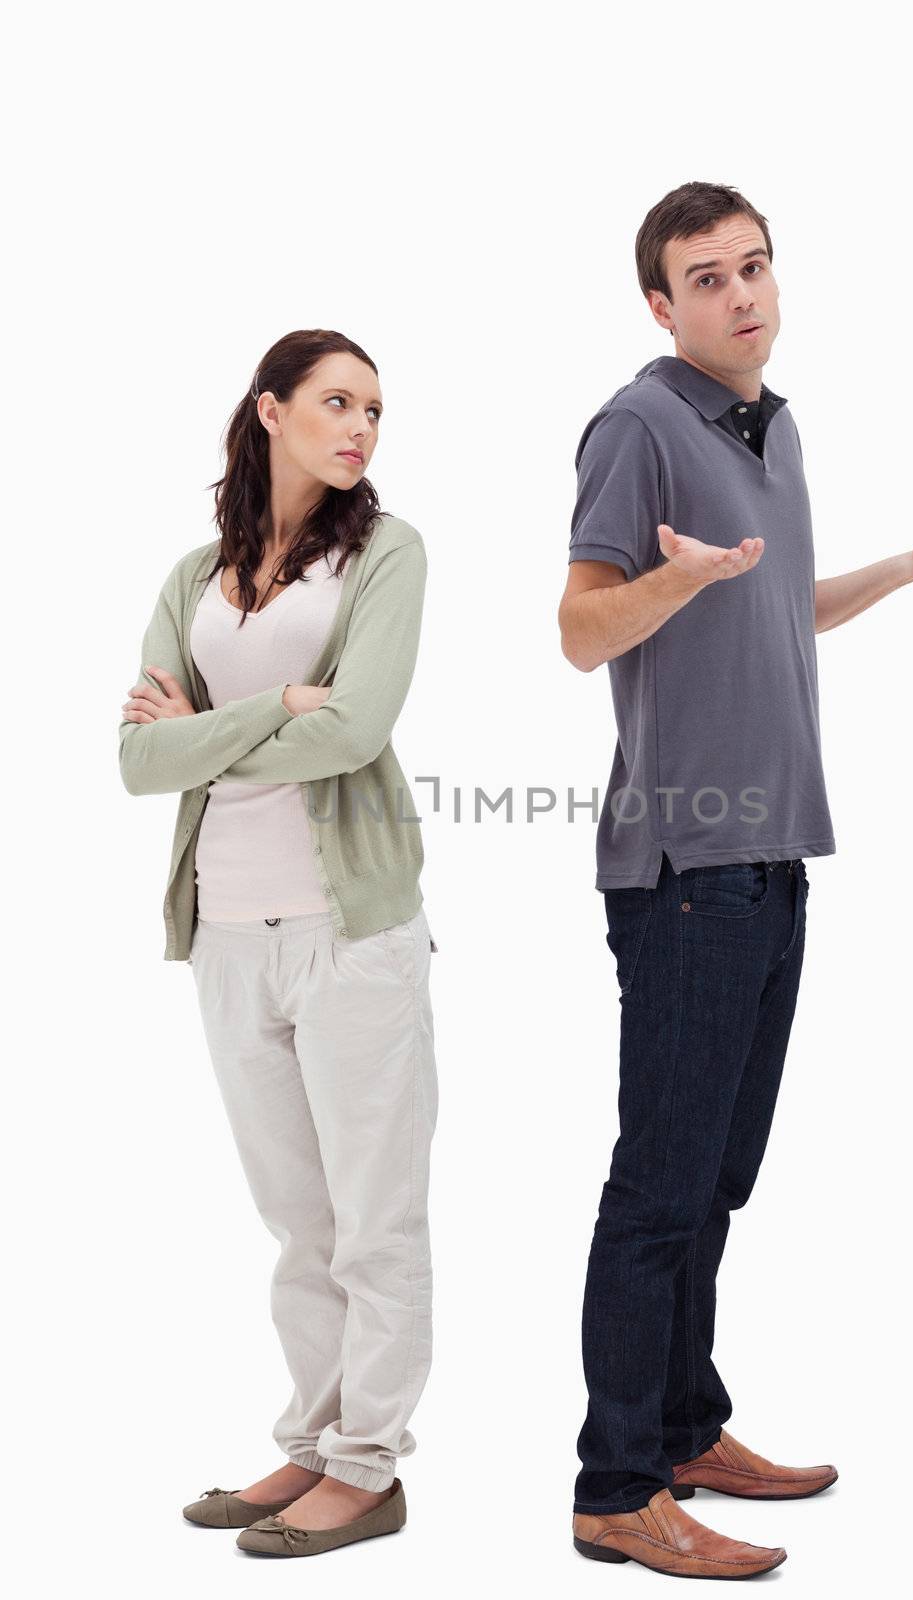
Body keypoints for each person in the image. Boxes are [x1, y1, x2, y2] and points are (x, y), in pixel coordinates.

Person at [559, 182, 913, 1580]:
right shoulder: (637, 424)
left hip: (772, 857)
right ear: (657, 304)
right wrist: (678, 581)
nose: (738, 295)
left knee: (715, 1176)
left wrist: (912, 565)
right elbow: (579, 631)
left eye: (753, 267)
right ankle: (611, 1488)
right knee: (656, 1184)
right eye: (703, 277)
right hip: (685, 865)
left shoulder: (769, 426)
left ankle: (681, 1425)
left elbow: (773, 597)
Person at [119, 329, 439, 1561]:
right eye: (336, 402)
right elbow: (137, 761)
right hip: (226, 932)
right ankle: (310, 1441)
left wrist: (215, 728)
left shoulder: (387, 556)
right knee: (296, 1220)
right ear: (270, 411)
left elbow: (354, 731)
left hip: (349, 929)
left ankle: (369, 1469)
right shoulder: (194, 572)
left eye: (374, 409)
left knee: (375, 1218)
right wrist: (272, 707)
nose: (360, 427)